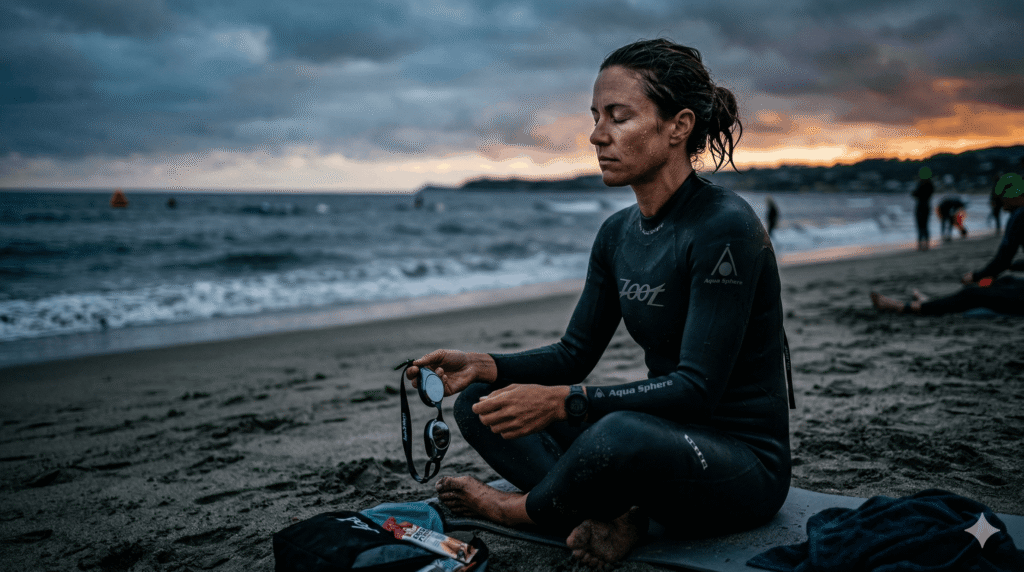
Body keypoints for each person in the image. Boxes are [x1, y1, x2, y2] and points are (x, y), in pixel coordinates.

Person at [404, 39, 791, 568]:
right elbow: (574, 352)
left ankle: (519, 510)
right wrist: (485, 365)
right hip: (661, 444)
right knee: (482, 402)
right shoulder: (617, 234)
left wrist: (568, 401)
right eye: (595, 117)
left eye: (618, 117)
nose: (596, 135)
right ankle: (615, 517)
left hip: (740, 465)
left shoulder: (724, 227)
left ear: (677, 126)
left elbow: (696, 390)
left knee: (618, 432)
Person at [871, 194, 1024, 316]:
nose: (1000, 200)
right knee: (1005, 281)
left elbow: (1001, 262)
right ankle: (932, 303)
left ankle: (903, 307)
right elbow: (1005, 263)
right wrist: (1015, 265)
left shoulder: (1019, 215)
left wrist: (976, 276)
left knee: (972, 294)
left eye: (1004, 195)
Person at [911, 168, 934, 250]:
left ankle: (920, 245)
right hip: (927, 206)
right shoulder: (930, 185)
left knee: (920, 226)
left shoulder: (920, 184)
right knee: (925, 226)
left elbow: (915, 194)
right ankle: (927, 244)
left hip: (920, 206)